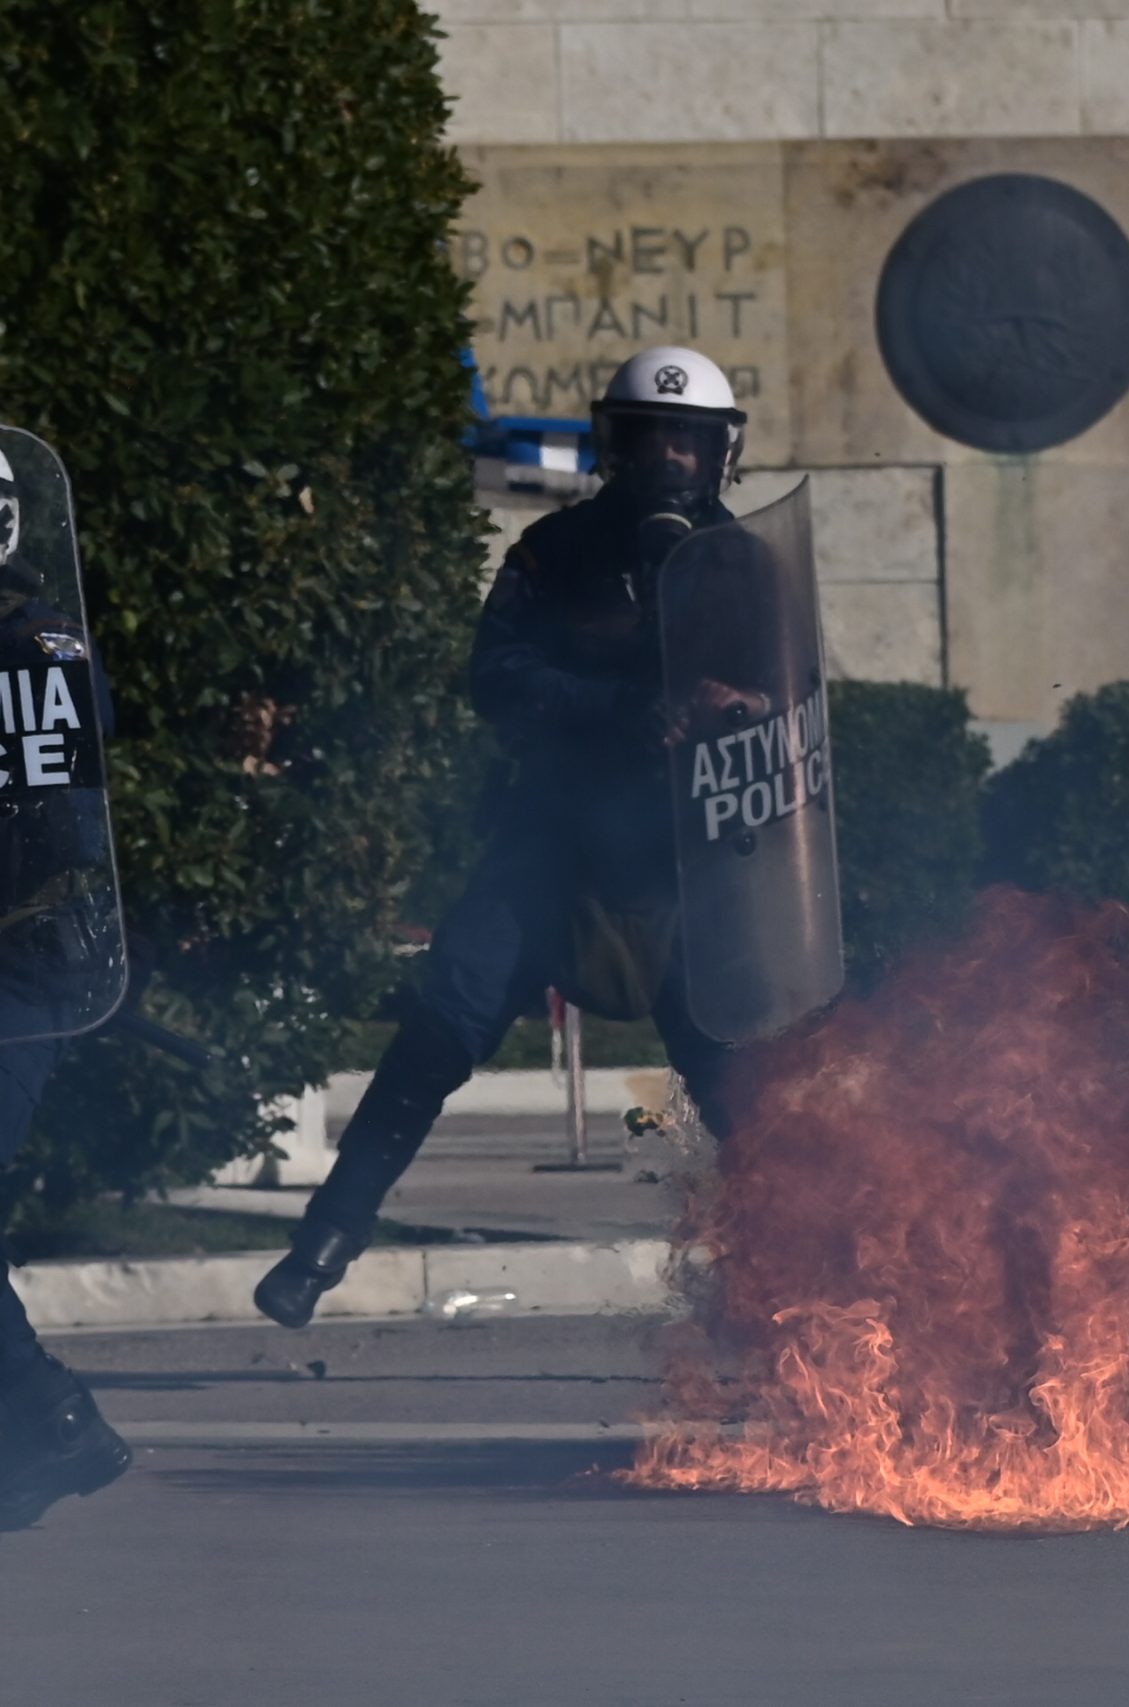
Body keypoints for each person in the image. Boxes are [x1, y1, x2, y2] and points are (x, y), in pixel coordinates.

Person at [254, 346, 753, 1328]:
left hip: (687, 865)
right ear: (615, 443)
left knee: (738, 1083)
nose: (668, 461)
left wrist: (741, 708)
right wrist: (620, 710)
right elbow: (497, 678)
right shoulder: (553, 554)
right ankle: (326, 1240)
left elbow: (791, 702)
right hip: (553, 846)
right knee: (443, 1025)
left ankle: (803, 1293)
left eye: (686, 442)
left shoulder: (749, 568)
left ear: (719, 453)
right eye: (649, 437)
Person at [0, 442, 131, 1527]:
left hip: (22, 969)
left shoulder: (36, 651)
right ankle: (38, 1441)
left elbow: (55, 821)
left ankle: (55, 1420)